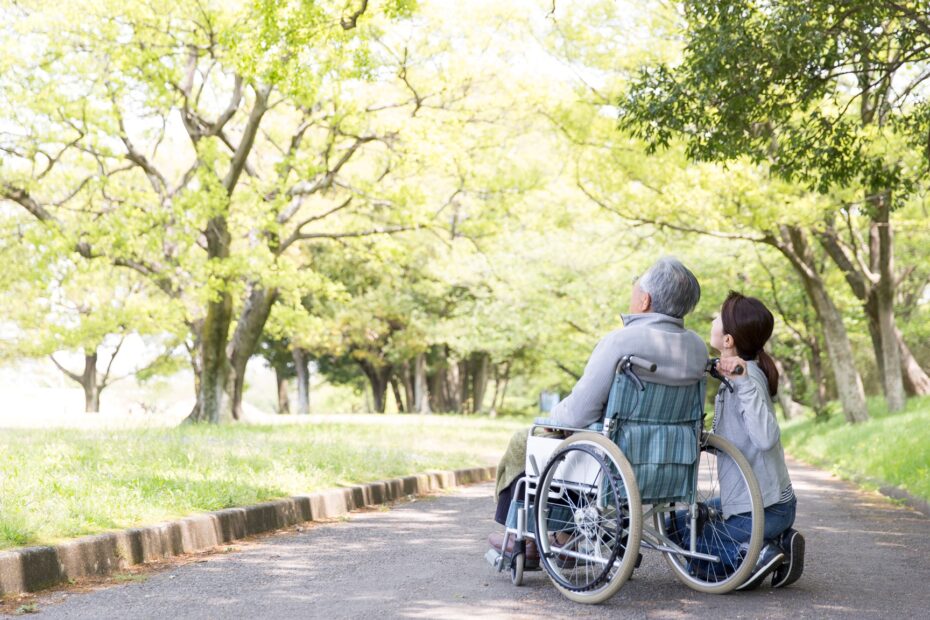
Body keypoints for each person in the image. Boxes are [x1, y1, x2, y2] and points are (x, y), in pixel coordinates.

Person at [488, 257, 708, 559]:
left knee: (527, 442)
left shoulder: (622, 341)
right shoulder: (697, 348)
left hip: (614, 454)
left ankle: (518, 535)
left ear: (645, 300)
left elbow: (579, 411)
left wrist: (551, 421)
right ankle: (566, 535)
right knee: (584, 443)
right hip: (669, 457)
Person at [672, 291, 805, 590]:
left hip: (765, 507)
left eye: (718, 316)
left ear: (729, 339)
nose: (713, 320)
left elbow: (766, 438)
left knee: (698, 562)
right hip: (753, 503)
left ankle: (758, 551)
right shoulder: (736, 375)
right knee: (675, 529)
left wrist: (742, 382)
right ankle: (776, 540)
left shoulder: (748, 378)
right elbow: (728, 438)